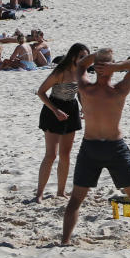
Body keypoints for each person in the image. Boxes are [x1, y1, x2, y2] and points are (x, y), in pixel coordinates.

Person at [61, 49, 130, 244]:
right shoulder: (119, 90)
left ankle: (65, 241)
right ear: (111, 69)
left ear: (96, 68)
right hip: (114, 147)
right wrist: (118, 66)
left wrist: (96, 58)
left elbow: (80, 65)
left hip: (91, 147)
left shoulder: (85, 88)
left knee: (76, 199)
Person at [35, 43, 88, 202]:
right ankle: (39, 194)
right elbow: (41, 92)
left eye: (86, 57)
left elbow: (79, 91)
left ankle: (61, 191)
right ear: (73, 56)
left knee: (65, 155)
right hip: (54, 109)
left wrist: (83, 107)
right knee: (51, 154)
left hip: (71, 109)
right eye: (81, 57)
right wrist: (55, 110)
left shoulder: (81, 72)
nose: (84, 60)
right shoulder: (60, 71)